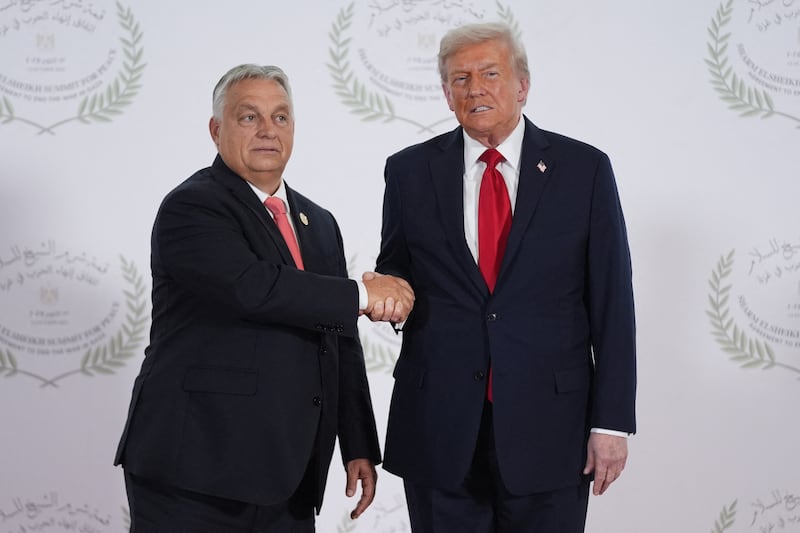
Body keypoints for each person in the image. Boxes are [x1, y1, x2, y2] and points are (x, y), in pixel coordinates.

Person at [114, 64, 414, 532]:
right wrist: (363, 293)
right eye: (248, 117)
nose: (267, 131)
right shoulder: (192, 206)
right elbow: (255, 287)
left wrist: (356, 443)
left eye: (280, 117)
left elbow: (339, 339)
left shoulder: (320, 222)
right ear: (217, 130)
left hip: (288, 473)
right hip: (196, 471)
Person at [375, 22, 636, 532]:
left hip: (552, 430)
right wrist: (386, 287)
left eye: (491, 73)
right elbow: (398, 268)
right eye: (460, 78)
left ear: (522, 84)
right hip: (439, 426)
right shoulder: (407, 172)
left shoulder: (584, 170)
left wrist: (611, 421)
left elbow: (612, 302)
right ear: (447, 94)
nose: (476, 88)